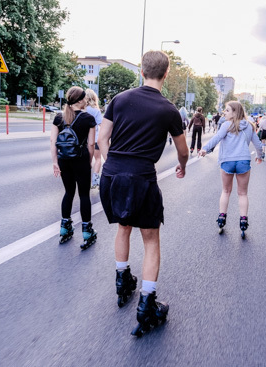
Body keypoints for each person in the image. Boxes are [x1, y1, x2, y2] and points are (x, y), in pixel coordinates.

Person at [98, 50, 189, 336]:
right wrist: (182, 166)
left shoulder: (119, 99)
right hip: (141, 178)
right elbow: (182, 150)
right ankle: (147, 305)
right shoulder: (169, 110)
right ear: (166, 73)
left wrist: (111, 166)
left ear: (141, 71)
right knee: (150, 240)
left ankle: (122, 281)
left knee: (123, 227)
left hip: (112, 175)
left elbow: (102, 138)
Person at [199, 101, 262, 237]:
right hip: (243, 162)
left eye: (227, 110)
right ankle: (243, 222)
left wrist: (205, 149)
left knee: (226, 191)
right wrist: (259, 156)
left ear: (234, 112)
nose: (225, 113)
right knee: (243, 193)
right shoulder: (250, 126)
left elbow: (217, 138)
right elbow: (257, 144)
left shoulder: (226, 125)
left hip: (227, 161)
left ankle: (222, 219)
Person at [50, 86, 97, 249]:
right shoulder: (88, 118)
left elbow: (53, 141)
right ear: (79, 100)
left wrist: (55, 162)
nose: (86, 100)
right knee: (84, 195)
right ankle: (87, 232)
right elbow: (91, 143)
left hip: (64, 160)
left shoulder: (59, 117)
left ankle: (65, 228)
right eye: (84, 98)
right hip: (81, 159)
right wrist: (89, 161)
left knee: (68, 193)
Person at [84, 89, 103, 189]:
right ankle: (95, 180)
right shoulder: (96, 111)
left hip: (83, 140)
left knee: (86, 160)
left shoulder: (82, 110)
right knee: (98, 159)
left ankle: (84, 180)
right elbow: (101, 124)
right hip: (95, 139)